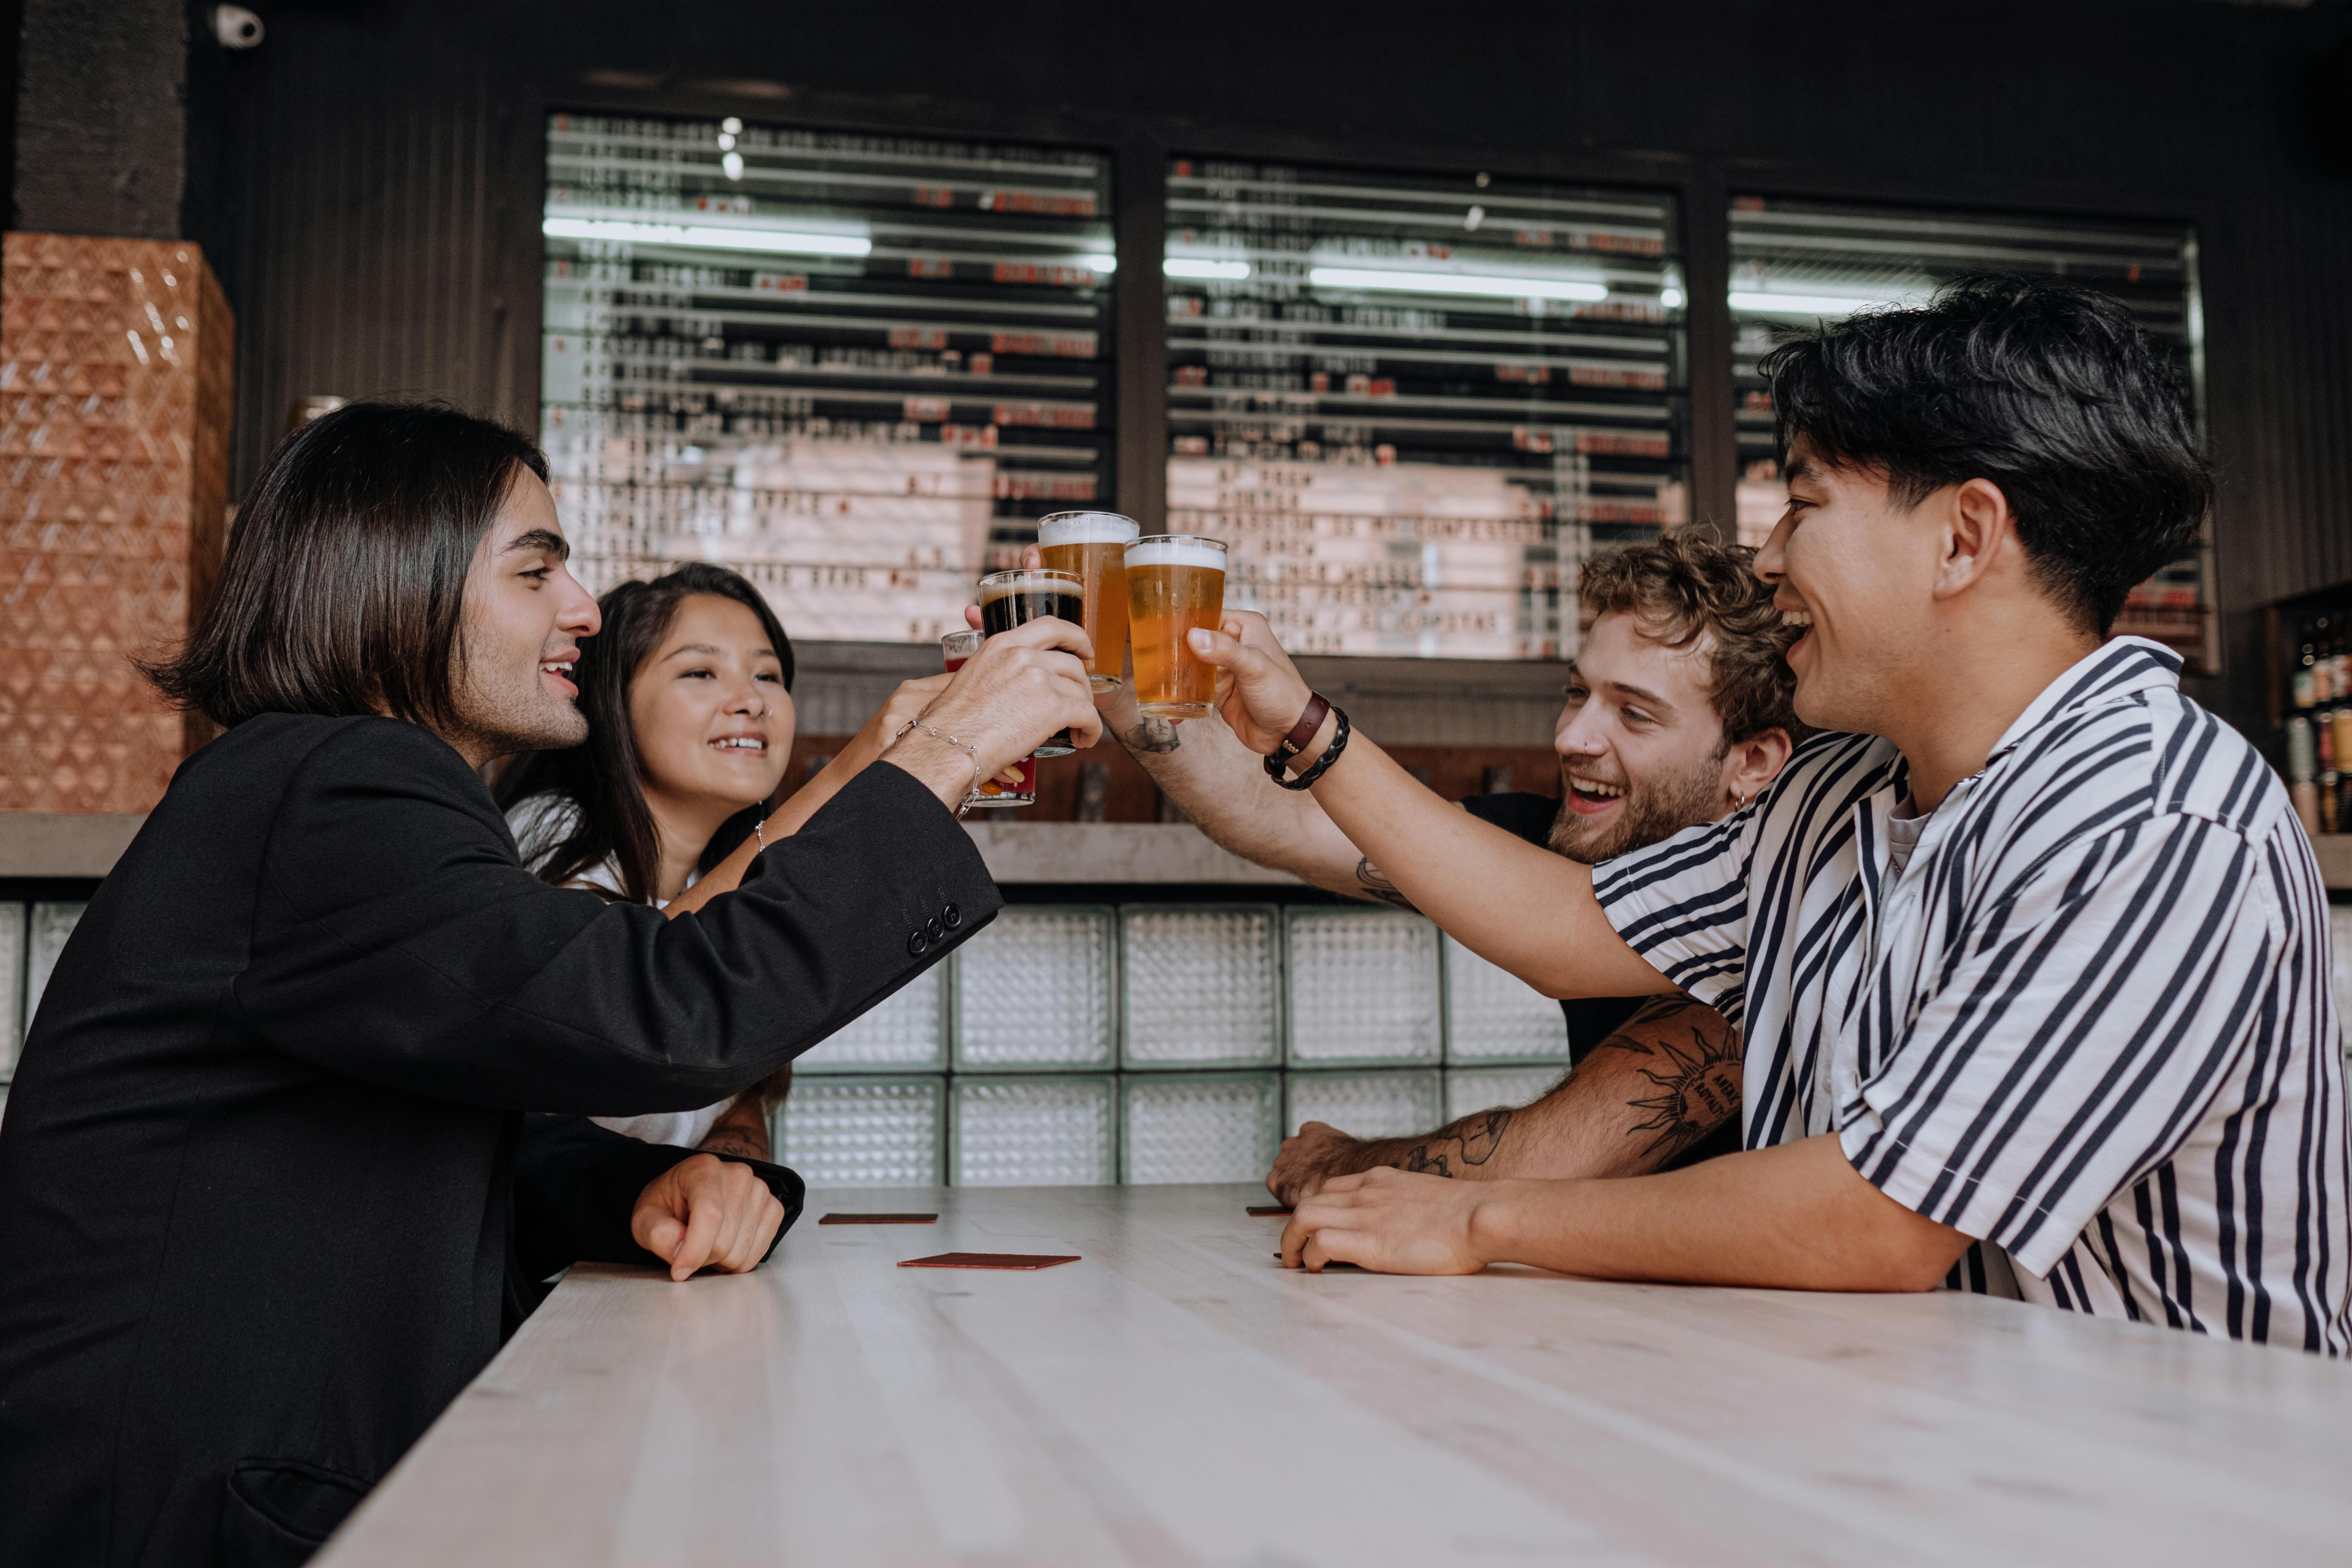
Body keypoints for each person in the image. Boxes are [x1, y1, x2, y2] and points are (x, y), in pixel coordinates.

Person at [0, 401, 1098, 1566]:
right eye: (539, 570)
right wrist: (943, 755)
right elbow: (668, 1012)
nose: (583, 608)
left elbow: (444, 1123)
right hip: (191, 1516)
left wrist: (631, 1190)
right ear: (398, 582)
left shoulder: (326, 786)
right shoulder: (337, 784)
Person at [1201, 277, 2349, 1352]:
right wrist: (1304, 724)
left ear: (1964, 537)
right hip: (1915, 1431)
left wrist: (1476, 1220)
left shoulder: (2154, 823)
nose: (1765, 558)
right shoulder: (1843, 786)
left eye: (1802, 505)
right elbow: (1565, 927)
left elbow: (1880, 1220)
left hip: (2171, 1480)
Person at [1096, 536, 1803, 1198]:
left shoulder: (1767, 895)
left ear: (1753, 763)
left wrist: (1338, 1165)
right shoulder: (1567, 837)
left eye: (1636, 715)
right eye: (1577, 693)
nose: (1574, 738)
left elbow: (1550, 1162)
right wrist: (1111, 675)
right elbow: (1286, 818)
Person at [496, 562, 967, 1161]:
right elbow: (611, 1008)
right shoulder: (552, 832)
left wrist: (734, 1159)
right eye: (700, 671)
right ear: (613, 703)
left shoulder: (721, 870)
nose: (751, 701)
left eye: (768, 675)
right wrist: (856, 774)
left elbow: (739, 1092)